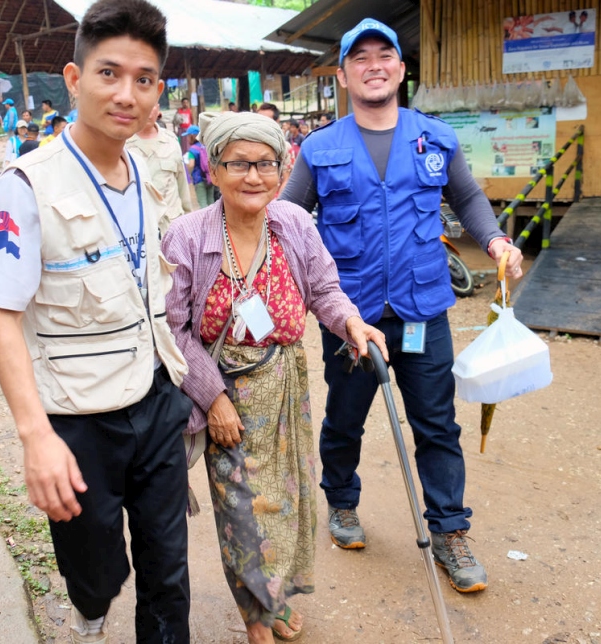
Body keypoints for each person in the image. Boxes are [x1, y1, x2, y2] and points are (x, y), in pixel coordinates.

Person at [280, 18, 524, 595]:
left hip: (423, 310)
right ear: (343, 75)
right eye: (358, 58)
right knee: (345, 419)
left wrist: (495, 241)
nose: (373, 65)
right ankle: (341, 503)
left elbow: (465, 196)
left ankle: (449, 531)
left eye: (383, 54)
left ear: (400, 68)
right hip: (351, 316)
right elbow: (288, 219)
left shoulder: (435, 138)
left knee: (437, 424)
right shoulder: (319, 148)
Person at [0, 0, 193, 642]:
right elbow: (1, 315)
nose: (126, 94)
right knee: (96, 567)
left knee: (169, 568)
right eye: (109, 74)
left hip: (157, 398)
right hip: (78, 418)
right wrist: (35, 437)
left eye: (144, 79)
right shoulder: (27, 183)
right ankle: (90, 613)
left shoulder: (154, 173)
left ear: (158, 88)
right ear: (75, 81)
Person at [162, 110, 387, 644]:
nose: (253, 176)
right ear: (213, 169)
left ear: (283, 170)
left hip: (285, 386)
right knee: (242, 512)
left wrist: (353, 323)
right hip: (225, 396)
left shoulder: (294, 224)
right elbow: (170, 328)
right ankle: (256, 615)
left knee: (285, 504)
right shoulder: (188, 236)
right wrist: (212, 398)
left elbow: (324, 291)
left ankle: (276, 595)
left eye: (266, 163)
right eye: (238, 163)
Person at [125, 103, 192, 235]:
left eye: (152, 107)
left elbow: (182, 184)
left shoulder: (171, 141)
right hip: (139, 230)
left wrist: (189, 219)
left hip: (172, 226)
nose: (149, 113)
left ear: (158, 108)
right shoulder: (123, 144)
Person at [183, 125, 213, 208]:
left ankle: (206, 220)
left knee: (203, 203)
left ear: (192, 136)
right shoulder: (206, 146)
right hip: (210, 177)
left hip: (199, 179)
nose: (187, 138)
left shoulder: (192, 150)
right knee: (211, 202)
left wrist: (189, 174)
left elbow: (191, 164)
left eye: (188, 136)